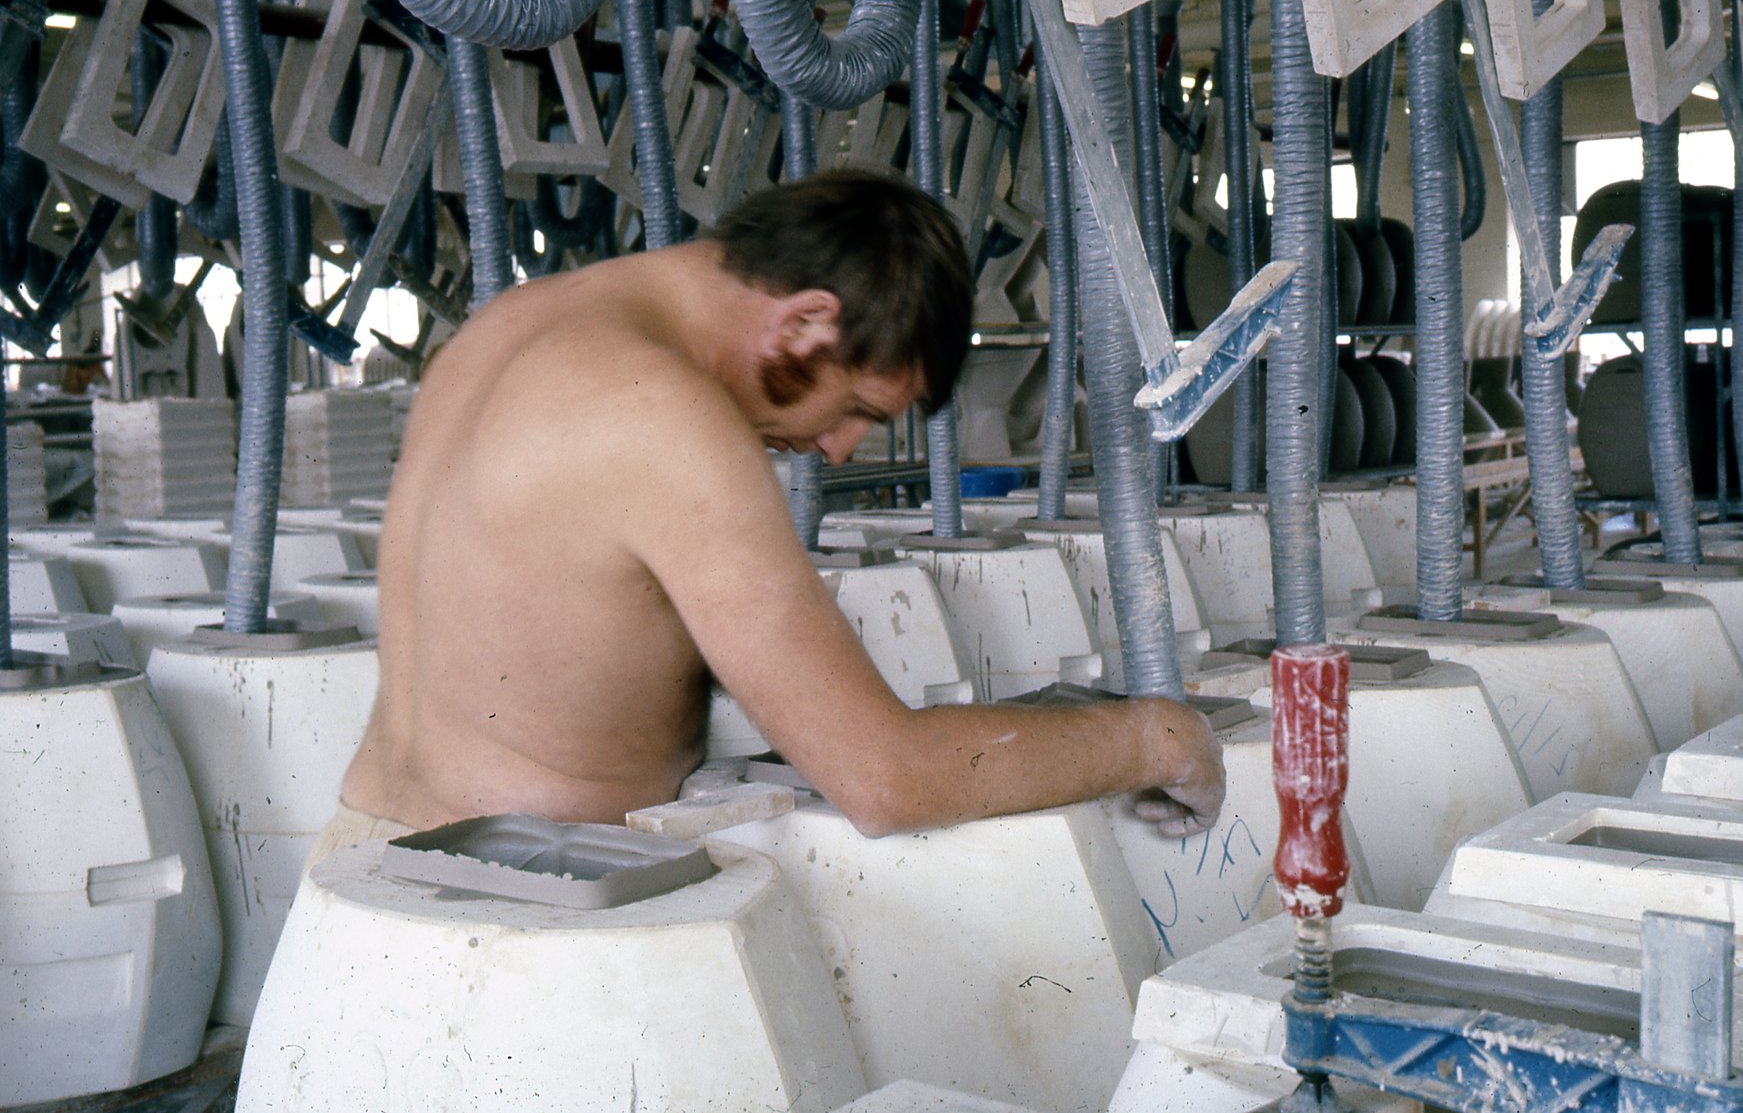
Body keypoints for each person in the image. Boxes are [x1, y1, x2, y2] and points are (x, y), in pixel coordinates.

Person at [315, 171, 1225, 862]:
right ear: (804, 325)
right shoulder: (661, 412)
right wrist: (1156, 735)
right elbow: (885, 777)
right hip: (519, 909)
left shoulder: (512, 325)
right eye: (858, 409)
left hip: (363, 864)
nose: (836, 450)